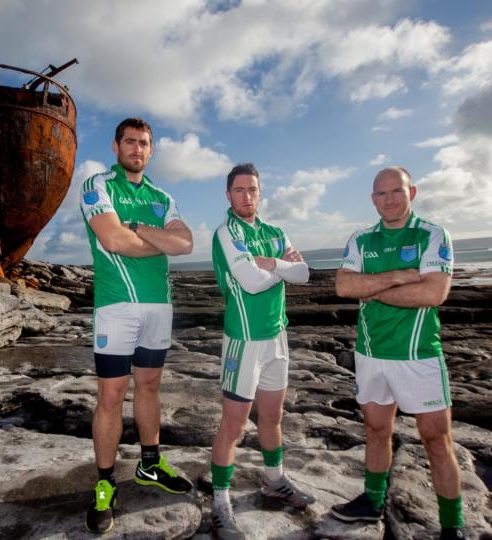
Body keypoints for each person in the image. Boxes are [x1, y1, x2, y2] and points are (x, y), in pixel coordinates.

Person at [330, 166, 464, 539]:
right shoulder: (361, 239)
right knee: (375, 429)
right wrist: (396, 276)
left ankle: (453, 526)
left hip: (418, 355)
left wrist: (368, 289)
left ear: (412, 193)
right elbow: (343, 286)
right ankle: (373, 501)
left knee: (437, 440)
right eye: (381, 193)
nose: (389, 200)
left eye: (396, 192)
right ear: (373, 199)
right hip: (370, 354)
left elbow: (432, 294)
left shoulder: (432, 235)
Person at [79, 117, 195, 534]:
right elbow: (112, 240)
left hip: (158, 309)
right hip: (116, 308)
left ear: (151, 150)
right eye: (130, 142)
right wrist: (155, 241)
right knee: (111, 396)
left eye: (144, 143)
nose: (137, 149)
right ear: (116, 146)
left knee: (149, 386)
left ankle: (149, 464)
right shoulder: (97, 186)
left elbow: (185, 243)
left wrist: (137, 229)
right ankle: (106, 483)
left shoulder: (163, 197)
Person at [208, 163, 314, 539]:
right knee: (234, 425)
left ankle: (275, 481)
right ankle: (220, 502)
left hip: (276, 338)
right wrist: (281, 267)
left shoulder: (275, 231)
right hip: (243, 340)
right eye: (239, 190)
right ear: (228, 195)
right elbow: (251, 283)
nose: (247, 196)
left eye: (252, 189)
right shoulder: (226, 232)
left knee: (273, 416)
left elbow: (304, 274)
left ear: (260, 192)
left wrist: (270, 263)